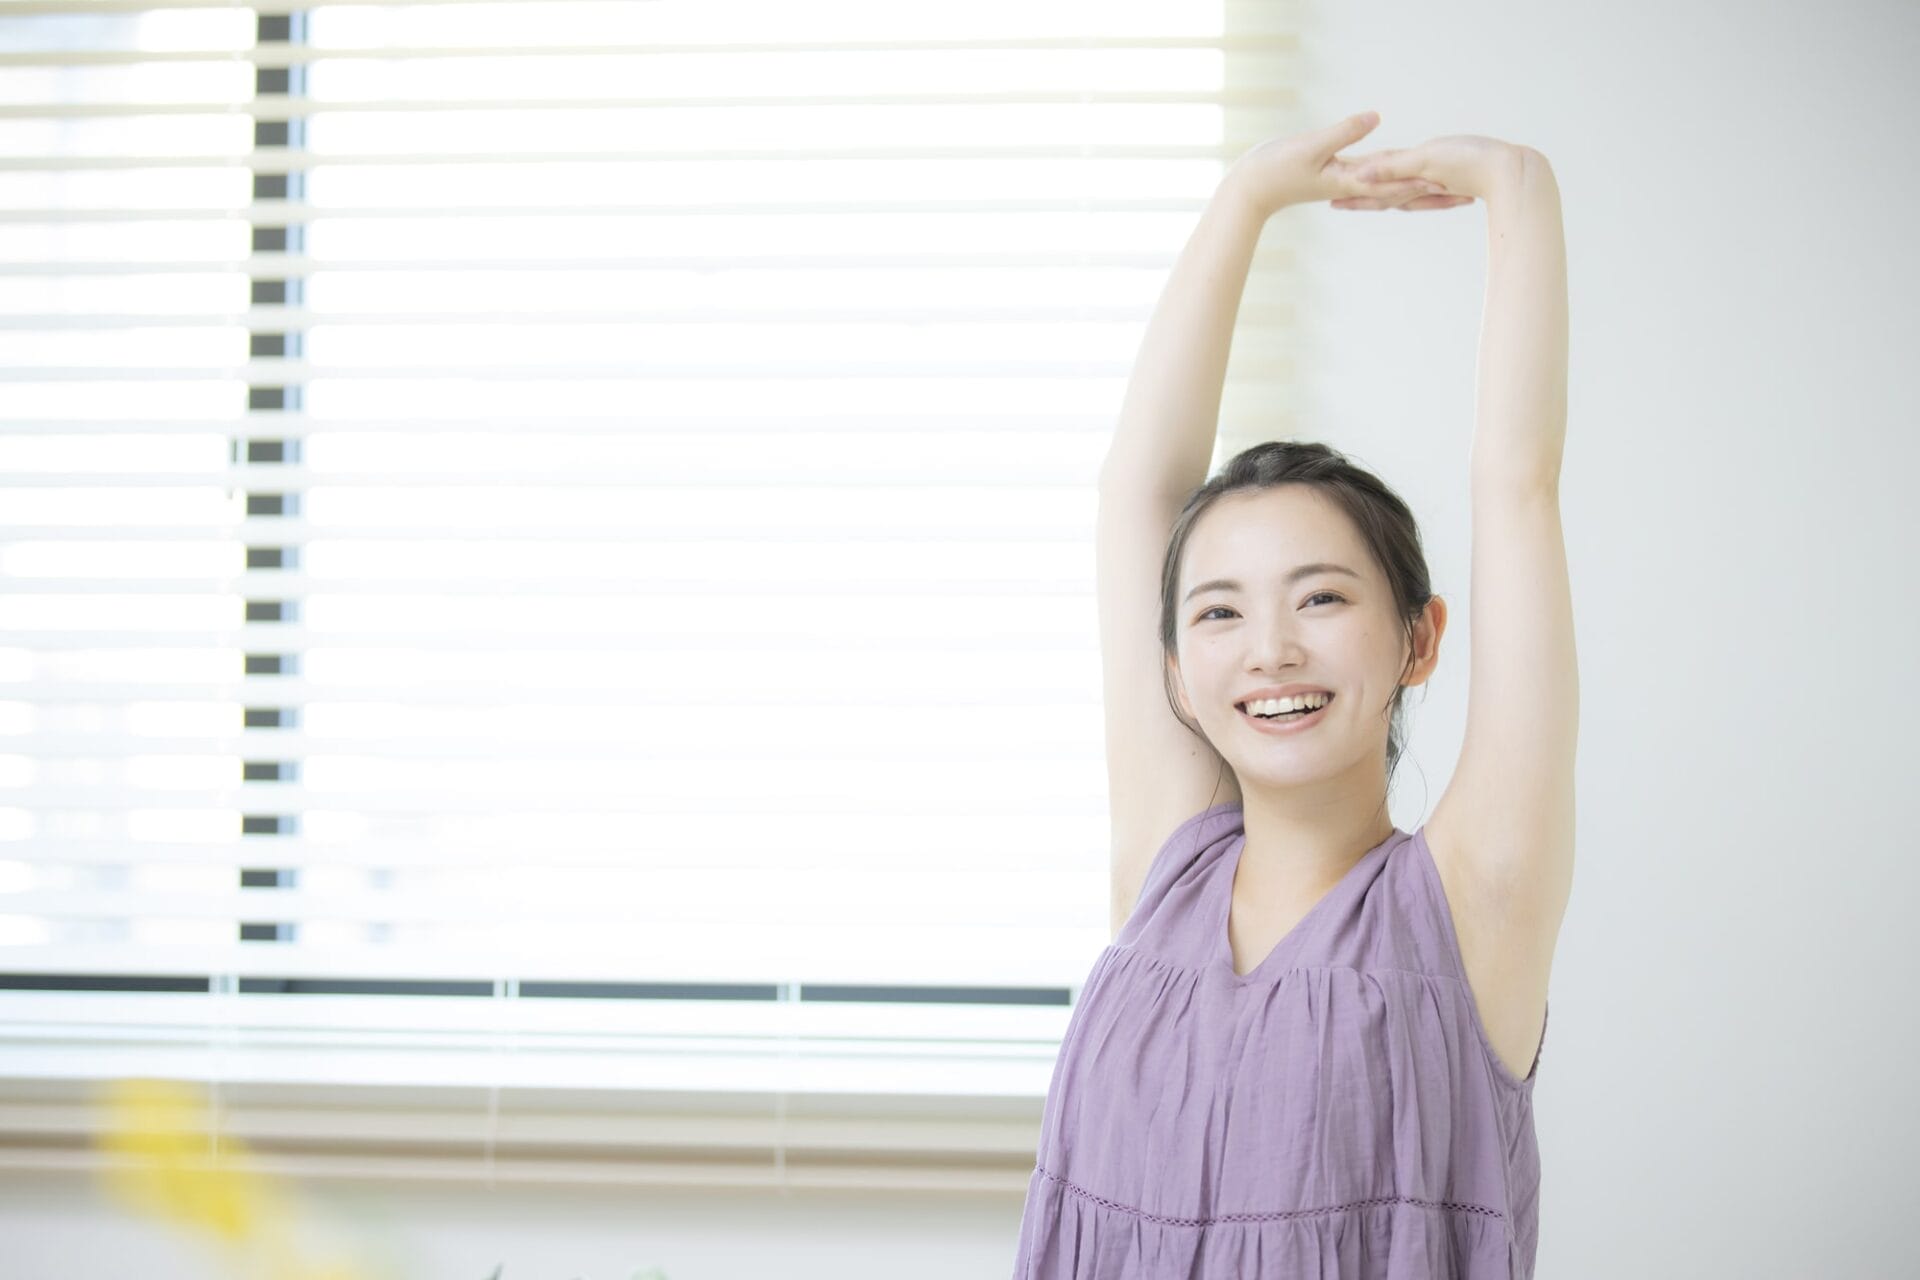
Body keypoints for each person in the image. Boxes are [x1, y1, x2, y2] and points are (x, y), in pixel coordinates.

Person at [1011, 111, 1576, 1279]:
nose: (1268, 647)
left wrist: (1520, 195)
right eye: (1219, 610)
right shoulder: (1168, 865)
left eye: (1320, 598)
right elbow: (1137, 490)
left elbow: (1516, 486)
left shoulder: (1471, 905)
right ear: (1175, 670)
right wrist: (1245, 203)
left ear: (1421, 639)